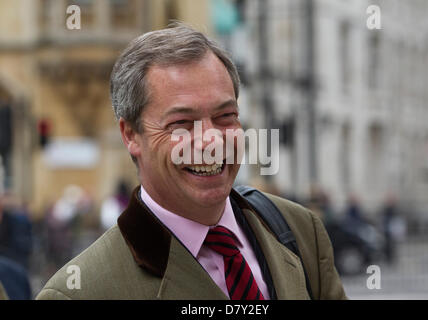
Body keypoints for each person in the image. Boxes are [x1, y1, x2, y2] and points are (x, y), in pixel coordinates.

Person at [36, 24, 346, 300]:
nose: (211, 141)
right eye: (182, 123)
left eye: (225, 116)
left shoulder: (301, 231)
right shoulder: (78, 292)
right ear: (131, 134)